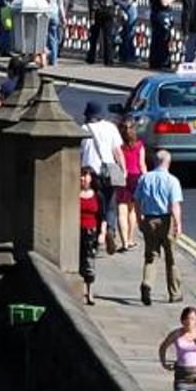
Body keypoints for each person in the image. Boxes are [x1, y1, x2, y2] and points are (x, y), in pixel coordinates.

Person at [135, 144, 186, 308]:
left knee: (151, 256)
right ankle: (175, 293)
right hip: (166, 221)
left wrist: (139, 219)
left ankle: (147, 283)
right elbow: (174, 205)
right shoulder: (172, 180)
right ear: (168, 163)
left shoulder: (145, 178)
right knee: (171, 259)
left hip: (149, 219)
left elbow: (137, 200)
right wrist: (178, 224)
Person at [80, 102, 128, 251]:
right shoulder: (111, 127)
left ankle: (97, 234)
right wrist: (123, 170)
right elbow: (117, 151)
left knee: (95, 203)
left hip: (91, 172)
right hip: (109, 171)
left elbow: (79, 153)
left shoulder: (84, 129)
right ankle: (110, 231)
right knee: (110, 204)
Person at [117, 112, 148, 258]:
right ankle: (130, 239)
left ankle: (123, 242)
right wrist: (146, 179)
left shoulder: (118, 145)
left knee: (121, 210)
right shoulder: (139, 145)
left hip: (122, 177)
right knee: (133, 210)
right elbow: (142, 164)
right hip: (135, 178)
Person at [87, 0, 124, 67]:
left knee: (94, 35)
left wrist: (92, 15)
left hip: (99, 11)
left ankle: (91, 57)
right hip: (109, 10)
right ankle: (109, 59)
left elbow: (94, 1)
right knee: (108, 36)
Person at [77, 166, 102, 305]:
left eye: (85, 175)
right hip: (77, 231)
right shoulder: (74, 194)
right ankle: (81, 291)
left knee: (89, 263)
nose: (83, 178)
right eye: (81, 175)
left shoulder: (97, 195)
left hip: (91, 232)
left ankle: (90, 292)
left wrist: (102, 233)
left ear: (91, 178)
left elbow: (102, 216)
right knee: (78, 261)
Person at [149, 0, 182, 73]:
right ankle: (163, 62)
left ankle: (154, 61)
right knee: (164, 39)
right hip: (162, 15)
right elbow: (164, 3)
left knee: (155, 39)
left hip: (154, 13)